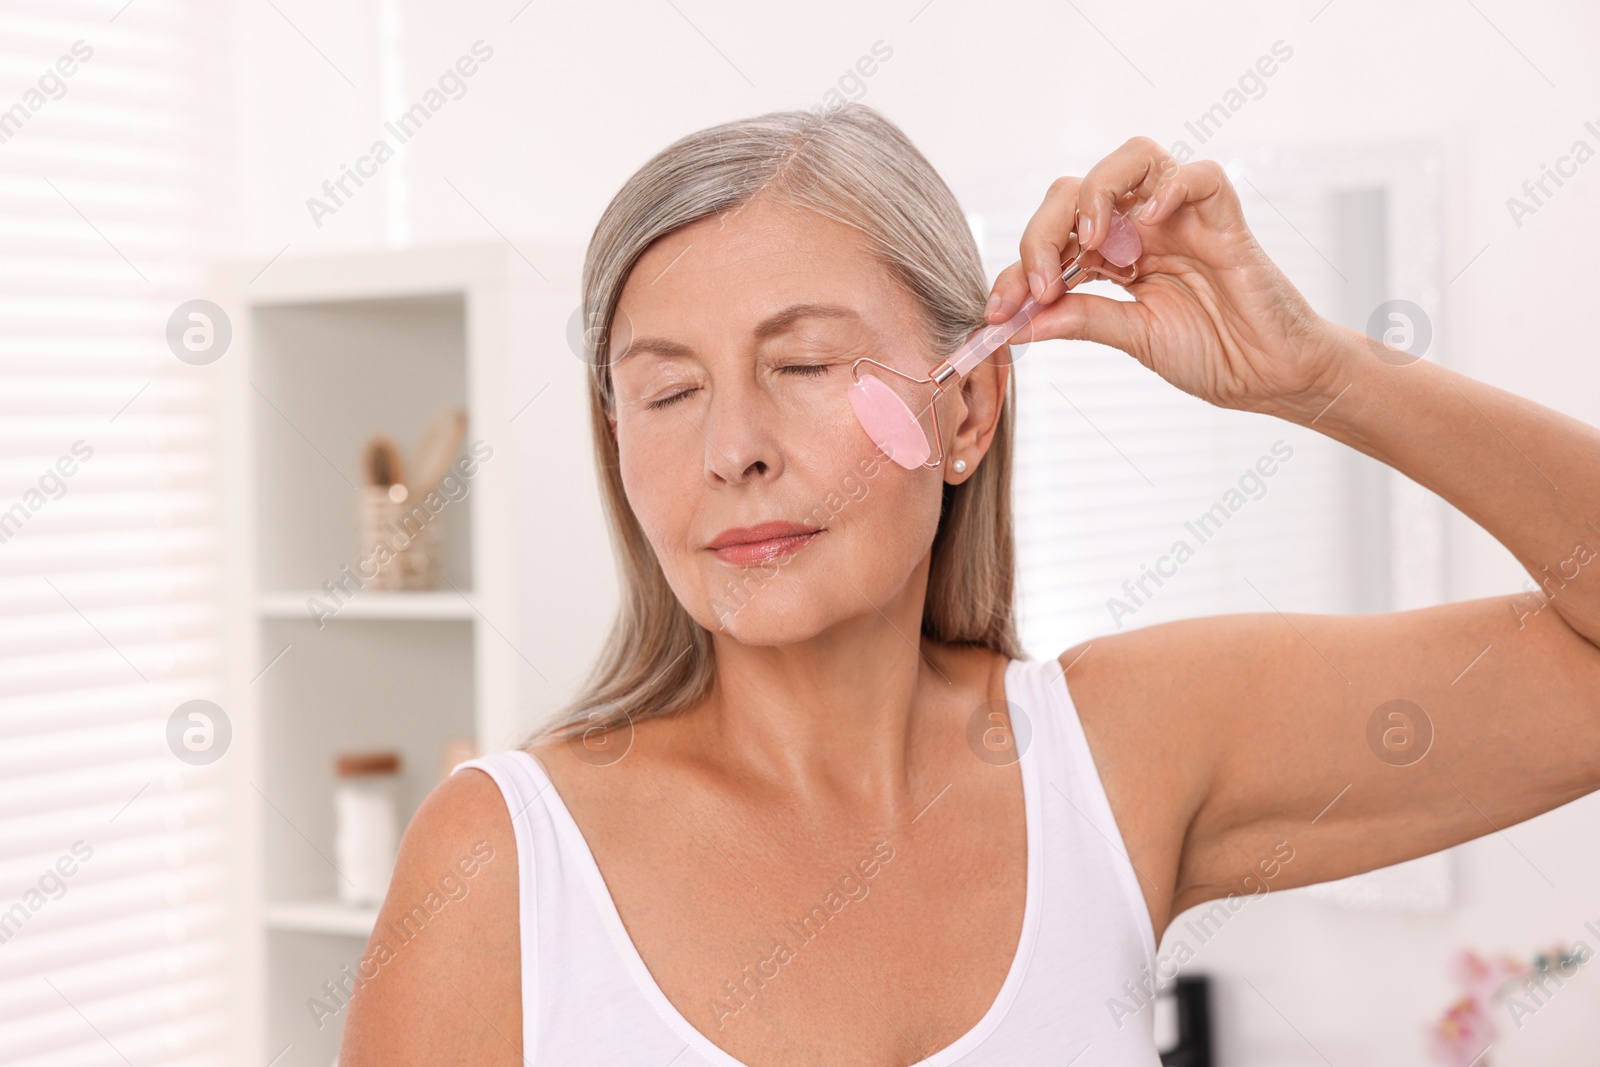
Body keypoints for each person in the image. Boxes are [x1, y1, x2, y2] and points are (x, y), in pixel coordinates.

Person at [339, 104, 1600, 1066]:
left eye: (805, 361)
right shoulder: (506, 862)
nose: (732, 447)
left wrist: (1310, 372)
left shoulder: (1121, 754)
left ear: (967, 411)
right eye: (665, 390)